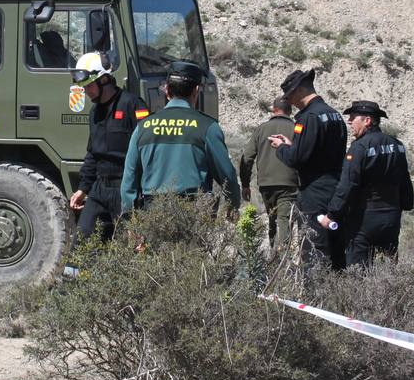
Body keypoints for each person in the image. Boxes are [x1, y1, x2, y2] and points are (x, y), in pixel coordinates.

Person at [120, 61, 241, 218]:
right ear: (196, 90)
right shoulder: (207, 127)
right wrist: (232, 205)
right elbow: (227, 174)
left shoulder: (143, 127)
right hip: (195, 213)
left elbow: (129, 177)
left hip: (153, 214)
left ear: (167, 90)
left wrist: (129, 216)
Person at [267, 67, 348, 270]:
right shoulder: (334, 115)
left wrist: (281, 148)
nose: (290, 102)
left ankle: (316, 295)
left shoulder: (308, 118)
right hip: (335, 189)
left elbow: (298, 158)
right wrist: (291, 145)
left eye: (290, 96)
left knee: (314, 250)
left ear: (300, 91)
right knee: (336, 248)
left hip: (315, 192)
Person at [67, 52, 149, 247]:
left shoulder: (133, 105)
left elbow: (147, 153)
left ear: (104, 80)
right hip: (99, 190)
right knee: (80, 246)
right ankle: (72, 278)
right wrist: (83, 188)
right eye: (84, 86)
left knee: (129, 250)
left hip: (126, 191)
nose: (86, 91)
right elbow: (92, 153)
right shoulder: (95, 112)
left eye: (89, 85)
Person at [319, 101, 414, 267]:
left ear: (367, 121)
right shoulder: (397, 145)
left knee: (358, 270)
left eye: (354, 117)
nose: (350, 121)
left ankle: (362, 294)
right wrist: (406, 204)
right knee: (389, 267)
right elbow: (404, 179)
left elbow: (348, 185)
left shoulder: (359, 148)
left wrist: (332, 214)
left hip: (364, 218)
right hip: (391, 216)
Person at [239, 96, 301, 253]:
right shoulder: (296, 128)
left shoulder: (261, 129)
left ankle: (274, 252)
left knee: (272, 218)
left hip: (266, 184)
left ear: (274, 110)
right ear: (290, 111)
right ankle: (280, 260)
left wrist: (245, 184)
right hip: (289, 183)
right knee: (284, 221)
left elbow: (247, 158)